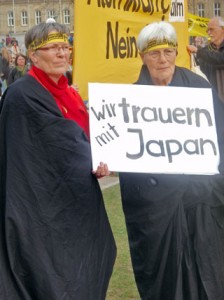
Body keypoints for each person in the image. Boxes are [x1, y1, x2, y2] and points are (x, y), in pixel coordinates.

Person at [0, 22, 116, 300]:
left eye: (66, 47)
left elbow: (86, 140)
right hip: (40, 209)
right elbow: (52, 148)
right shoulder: (21, 95)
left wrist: (101, 160)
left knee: (88, 266)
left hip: (78, 202)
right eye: (53, 48)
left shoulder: (71, 93)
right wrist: (85, 154)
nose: (63, 54)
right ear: (34, 55)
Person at [119, 21, 224, 300]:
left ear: (177, 52)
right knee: (165, 285)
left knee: (209, 280)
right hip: (156, 211)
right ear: (142, 56)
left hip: (201, 204)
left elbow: (220, 139)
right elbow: (127, 159)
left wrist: (213, 187)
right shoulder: (130, 100)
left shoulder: (199, 89)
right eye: (154, 53)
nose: (162, 59)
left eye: (168, 51)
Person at [187, 17, 224, 102]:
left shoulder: (202, 52)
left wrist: (197, 51)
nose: (209, 33)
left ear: (222, 29)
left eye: (212, 29)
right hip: (214, 98)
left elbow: (219, 58)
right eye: (207, 30)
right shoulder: (205, 51)